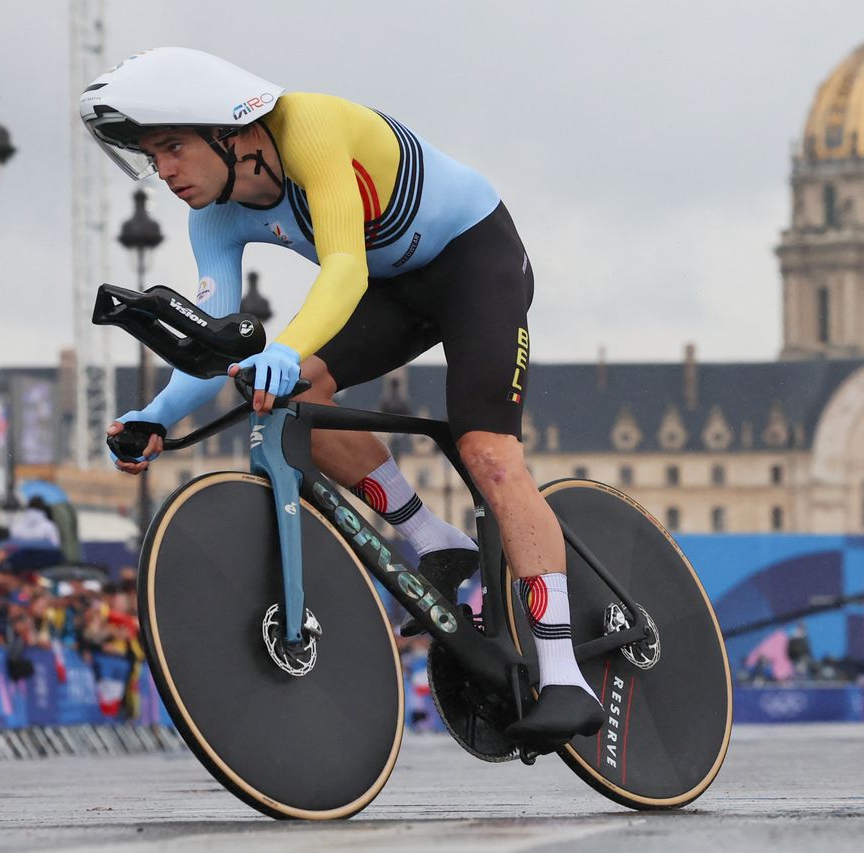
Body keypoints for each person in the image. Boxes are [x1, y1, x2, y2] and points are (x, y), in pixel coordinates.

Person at [80, 47, 604, 747]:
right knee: (296, 401)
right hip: (395, 292)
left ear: (228, 131)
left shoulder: (311, 128)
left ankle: (567, 674)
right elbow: (213, 348)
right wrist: (156, 415)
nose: (163, 172)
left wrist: (286, 349)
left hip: (473, 261)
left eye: (171, 147)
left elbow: (345, 270)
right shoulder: (211, 218)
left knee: (490, 453)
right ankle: (433, 539)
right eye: (151, 156)